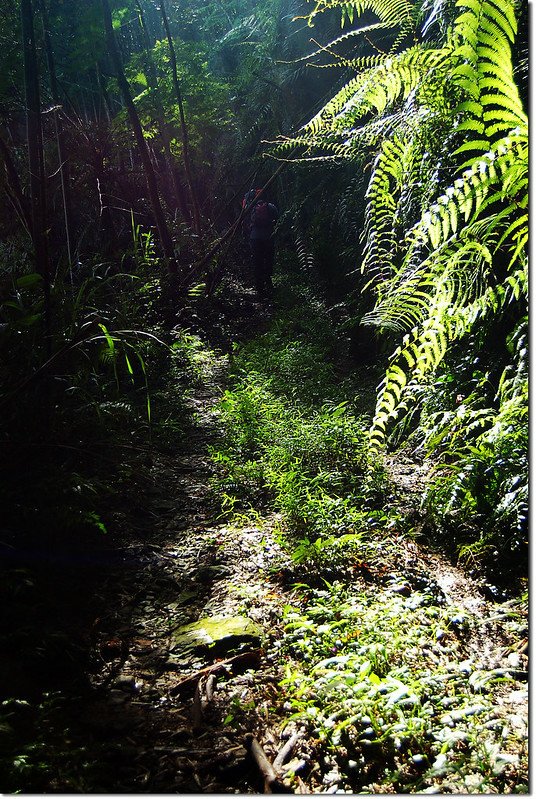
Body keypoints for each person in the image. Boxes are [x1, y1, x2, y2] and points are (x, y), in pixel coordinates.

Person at [243, 189, 278, 297]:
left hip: (255, 238)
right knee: (268, 260)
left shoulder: (250, 207)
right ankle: (268, 283)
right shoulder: (271, 207)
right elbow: (277, 220)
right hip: (268, 237)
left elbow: (245, 220)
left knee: (257, 261)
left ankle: (259, 287)